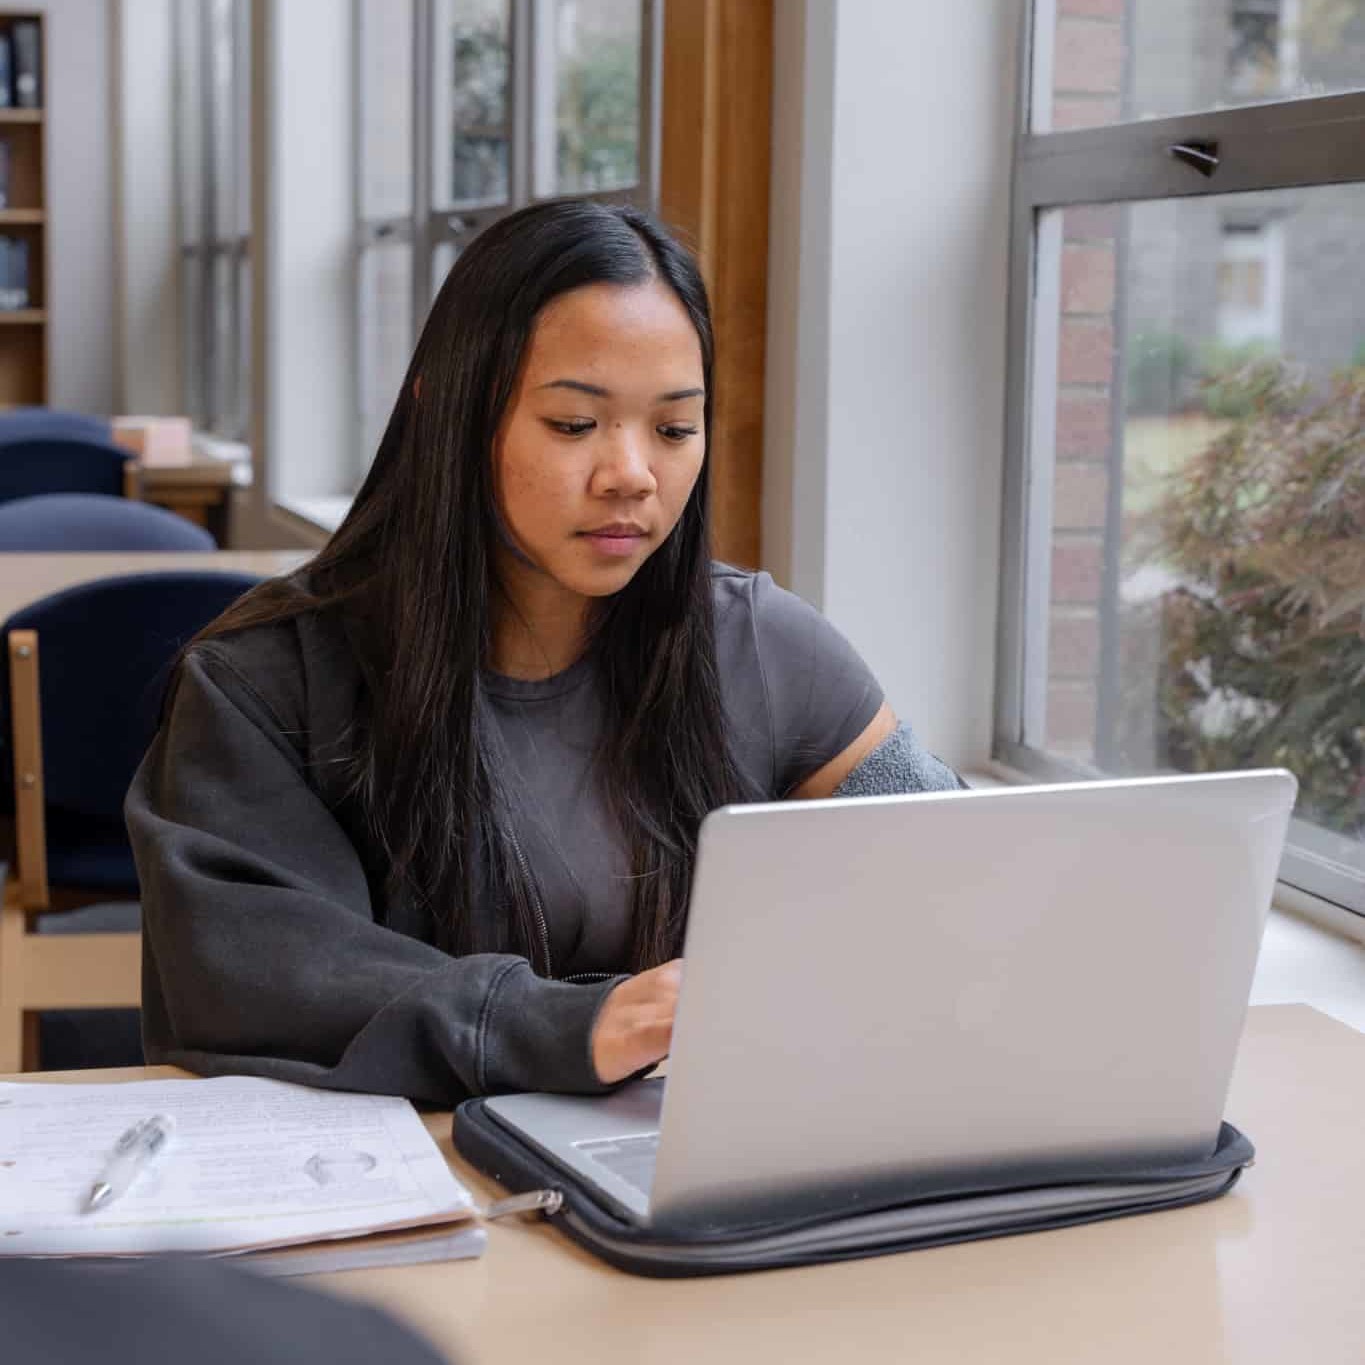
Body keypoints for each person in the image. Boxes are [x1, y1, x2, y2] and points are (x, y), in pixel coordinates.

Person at [126, 199, 961, 1106]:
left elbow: (960, 868)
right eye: (573, 425)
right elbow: (262, 977)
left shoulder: (757, 644)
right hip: (399, 1179)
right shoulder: (268, 679)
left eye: (674, 429)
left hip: (666, 1166)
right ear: (446, 409)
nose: (632, 473)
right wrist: (574, 1027)